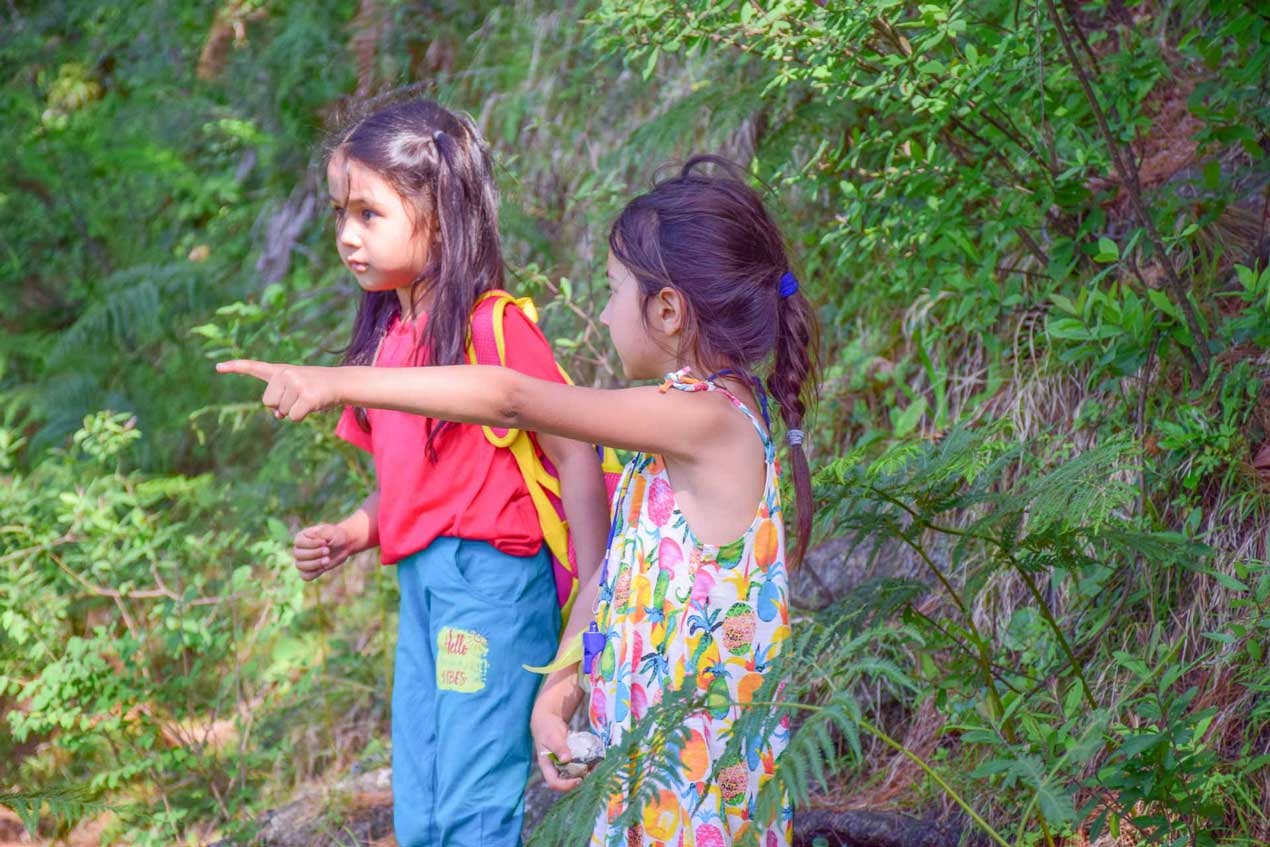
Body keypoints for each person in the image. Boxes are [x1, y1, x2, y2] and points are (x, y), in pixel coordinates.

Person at [219, 155, 817, 846]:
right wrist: (562, 684)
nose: (600, 310)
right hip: (651, 796)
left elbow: (512, 396)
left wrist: (335, 381)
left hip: (704, 808)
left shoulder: (713, 424)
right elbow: (609, 581)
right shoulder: (665, 447)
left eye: (611, 289)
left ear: (668, 309)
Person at [279, 99, 610, 847]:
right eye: (340, 213)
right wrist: (353, 530)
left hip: (488, 593)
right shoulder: (392, 339)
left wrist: (594, 603)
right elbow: (415, 482)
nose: (346, 235)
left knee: (471, 788)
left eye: (368, 212)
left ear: (442, 213)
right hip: (424, 589)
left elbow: (575, 452)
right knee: (421, 790)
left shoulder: (493, 327)